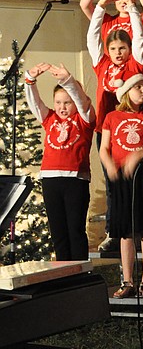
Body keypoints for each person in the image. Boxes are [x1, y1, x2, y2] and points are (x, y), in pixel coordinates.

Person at [87, 0, 143, 252]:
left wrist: (133, 9)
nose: (117, 52)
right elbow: (93, 37)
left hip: (134, 133)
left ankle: (139, 231)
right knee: (113, 184)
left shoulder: (135, 64)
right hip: (108, 130)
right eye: (113, 48)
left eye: (122, 47)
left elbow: (140, 37)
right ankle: (116, 232)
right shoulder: (101, 64)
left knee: (137, 185)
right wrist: (101, 5)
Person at [98, 75, 143, 298]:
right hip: (120, 178)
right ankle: (127, 280)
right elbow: (104, 148)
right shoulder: (112, 117)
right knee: (125, 231)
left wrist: (138, 155)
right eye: (138, 87)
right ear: (126, 92)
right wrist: (109, 166)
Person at [24, 63, 95, 261]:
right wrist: (30, 80)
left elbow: (83, 103)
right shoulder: (50, 119)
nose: (62, 107)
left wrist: (68, 80)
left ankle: (79, 275)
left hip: (75, 180)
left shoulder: (84, 119)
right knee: (59, 234)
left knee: (75, 230)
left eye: (67, 102)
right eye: (58, 102)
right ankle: (63, 275)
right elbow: (35, 103)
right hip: (50, 180)